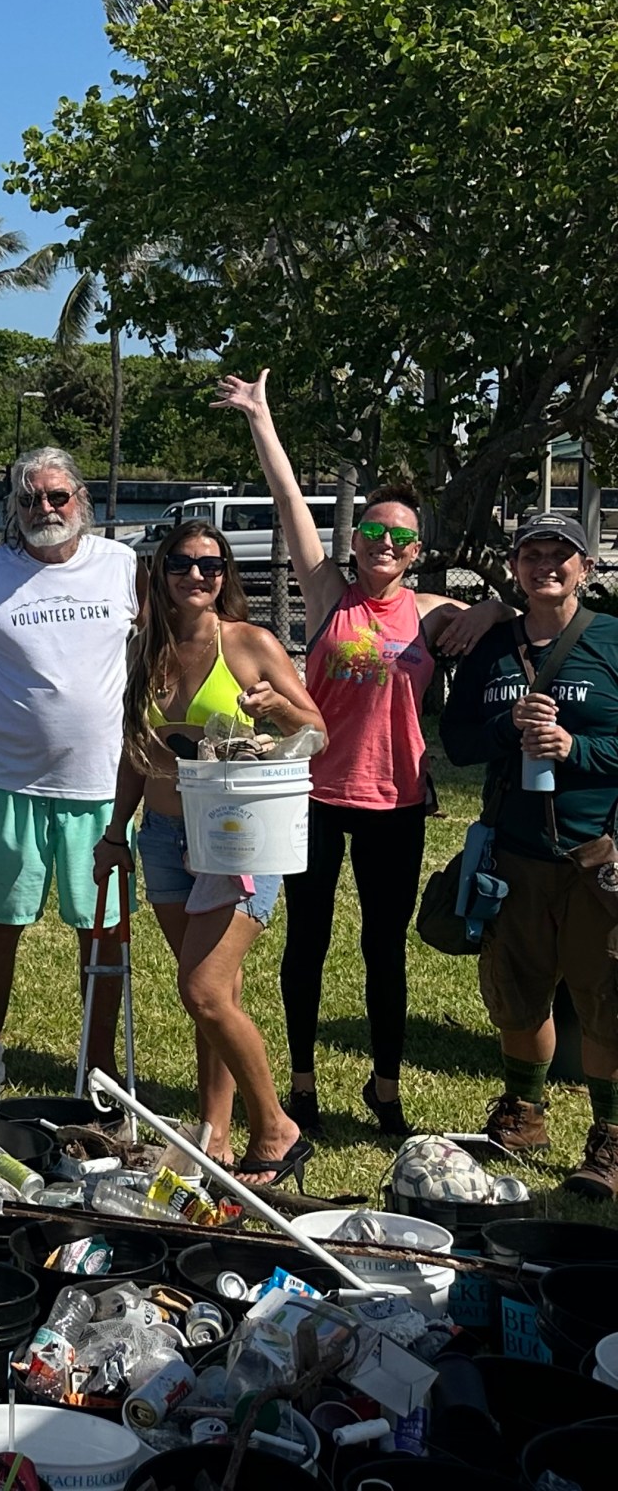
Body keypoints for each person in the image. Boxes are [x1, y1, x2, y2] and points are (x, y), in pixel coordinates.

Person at [215, 370, 501, 1137]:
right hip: (314, 793)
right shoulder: (326, 593)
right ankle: (301, 1083)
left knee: (384, 949)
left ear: (416, 552)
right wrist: (260, 416)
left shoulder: (434, 613)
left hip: (397, 803)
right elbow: (285, 499)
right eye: (374, 532)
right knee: (305, 941)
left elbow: (513, 609)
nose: (386, 544)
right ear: (355, 541)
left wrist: (495, 604)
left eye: (402, 537)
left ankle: (385, 1086)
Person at [95, 522, 326, 1181]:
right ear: (159, 572)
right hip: (165, 840)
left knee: (202, 990)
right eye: (181, 564)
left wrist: (275, 704)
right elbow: (136, 756)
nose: (197, 576)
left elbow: (318, 732)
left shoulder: (249, 644)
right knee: (215, 994)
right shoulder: (146, 651)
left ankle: (276, 1126)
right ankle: (216, 1133)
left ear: (226, 575)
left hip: (237, 842)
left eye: (211, 564)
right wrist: (116, 835)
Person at [0, 447, 141, 1078]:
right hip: (8, 781)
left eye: (56, 496)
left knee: (102, 933)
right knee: (0, 923)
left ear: (81, 499)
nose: (44, 509)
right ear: (12, 508)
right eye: (29, 499)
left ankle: (97, 1067)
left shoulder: (123, 566)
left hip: (103, 786)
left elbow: (162, 642)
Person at [443, 512, 618, 1200]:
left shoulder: (610, 641)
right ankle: (523, 1112)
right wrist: (503, 727)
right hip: (512, 853)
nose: (546, 564)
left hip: (595, 853)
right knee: (516, 992)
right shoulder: (492, 645)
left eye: (561, 554)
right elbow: (456, 741)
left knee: (604, 997)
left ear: (586, 567)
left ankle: (607, 1138)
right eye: (532, 553)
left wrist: (576, 751)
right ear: (514, 566)